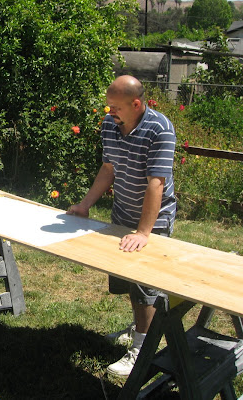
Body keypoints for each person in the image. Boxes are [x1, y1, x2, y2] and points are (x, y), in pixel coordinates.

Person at [67, 75, 176, 377]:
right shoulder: (109, 125)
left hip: (153, 219)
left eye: (114, 106)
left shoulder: (159, 129)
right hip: (122, 213)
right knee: (130, 281)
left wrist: (144, 232)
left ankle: (142, 350)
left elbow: (156, 182)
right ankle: (139, 329)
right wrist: (85, 205)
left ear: (136, 104)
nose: (109, 111)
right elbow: (108, 168)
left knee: (145, 286)